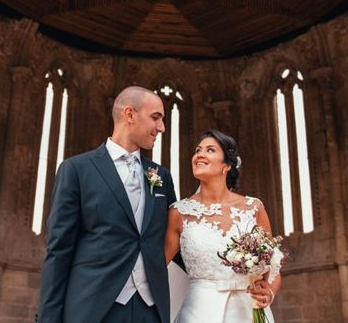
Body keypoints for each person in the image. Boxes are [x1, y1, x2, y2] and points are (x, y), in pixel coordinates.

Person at [38, 86, 178, 323]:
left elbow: (176, 237)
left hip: (151, 310)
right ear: (130, 114)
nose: (162, 127)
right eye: (156, 118)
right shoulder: (77, 170)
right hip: (93, 307)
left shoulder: (161, 177)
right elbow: (59, 250)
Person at [164, 130, 282, 323]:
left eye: (210, 150)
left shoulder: (254, 208)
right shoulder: (178, 213)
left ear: (226, 165)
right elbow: (157, 268)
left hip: (249, 311)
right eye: (197, 150)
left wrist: (268, 292)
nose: (199, 155)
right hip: (198, 313)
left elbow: (273, 269)